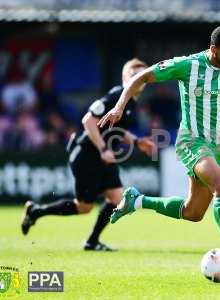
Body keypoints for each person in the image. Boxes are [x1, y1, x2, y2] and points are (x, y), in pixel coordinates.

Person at [99, 25, 220, 274]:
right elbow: (142, 76)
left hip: (216, 146)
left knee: (193, 212)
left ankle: (137, 201)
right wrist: (119, 107)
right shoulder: (188, 65)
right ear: (213, 49)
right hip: (191, 141)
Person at [21, 58, 155, 251]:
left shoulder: (131, 102)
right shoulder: (116, 95)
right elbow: (88, 120)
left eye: (142, 75)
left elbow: (115, 128)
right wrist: (103, 149)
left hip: (103, 158)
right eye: (134, 74)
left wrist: (136, 141)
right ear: (124, 78)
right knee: (84, 207)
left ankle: (92, 241)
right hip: (88, 155)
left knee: (117, 198)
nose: (138, 78)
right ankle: (36, 211)